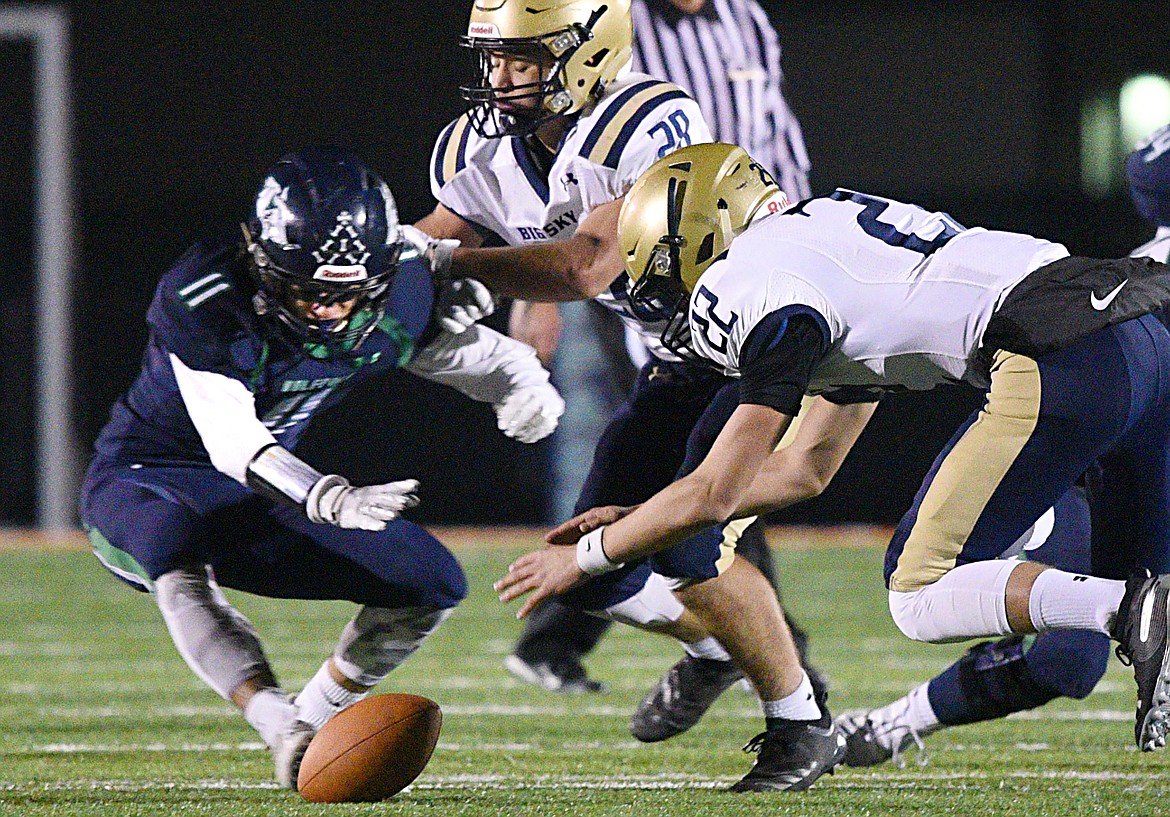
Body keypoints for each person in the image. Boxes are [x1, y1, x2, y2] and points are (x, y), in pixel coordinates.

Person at [494, 141, 1170, 758]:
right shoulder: (829, 242)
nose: (676, 303)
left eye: (669, 277)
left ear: (701, 240)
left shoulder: (750, 284)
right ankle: (1138, 609)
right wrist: (640, 516)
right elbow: (802, 467)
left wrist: (588, 556)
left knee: (919, 590)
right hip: (1140, 340)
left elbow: (717, 492)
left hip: (1060, 354)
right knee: (1110, 617)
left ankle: (1126, 610)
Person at [411, 0, 843, 791]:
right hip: (680, 353)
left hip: (764, 336)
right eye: (495, 59)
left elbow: (585, 266)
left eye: (526, 60)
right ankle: (716, 651)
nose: (502, 80)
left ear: (587, 55)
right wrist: (386, 260)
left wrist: (446, 267)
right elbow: (444, 228)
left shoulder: (644, 115)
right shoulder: (480, 143)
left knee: (691, 536)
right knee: (595, 565)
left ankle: (800, 723)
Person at [80, 146, 564, 788]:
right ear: (260, 260)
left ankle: (306, 728)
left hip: (268, 493)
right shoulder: (208, 296)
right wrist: (328, 496)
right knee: (178, 550)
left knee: (432, 584)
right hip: (151, 474)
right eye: (306, 292)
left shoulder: (397, 291)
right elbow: (233, 441)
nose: (327, 312)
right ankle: (274, 720)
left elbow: (441, 349)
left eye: (346, 294)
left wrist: (517, 377)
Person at [504, 0, 821, 702]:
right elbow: (565, 162)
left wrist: (807, 241)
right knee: (700, 467)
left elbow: (776, 130)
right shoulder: (616, 25)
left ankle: (569, 633)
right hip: (653, 276)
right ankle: (776, 661)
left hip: (755, 262)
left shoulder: (746, 16)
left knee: (711, 467)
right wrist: (541, 290)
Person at [833, 121, 1170, 766]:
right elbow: (1147, 174)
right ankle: (895, 722)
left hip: (1141, 432)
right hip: (1089, 444)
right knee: (1066, 656)